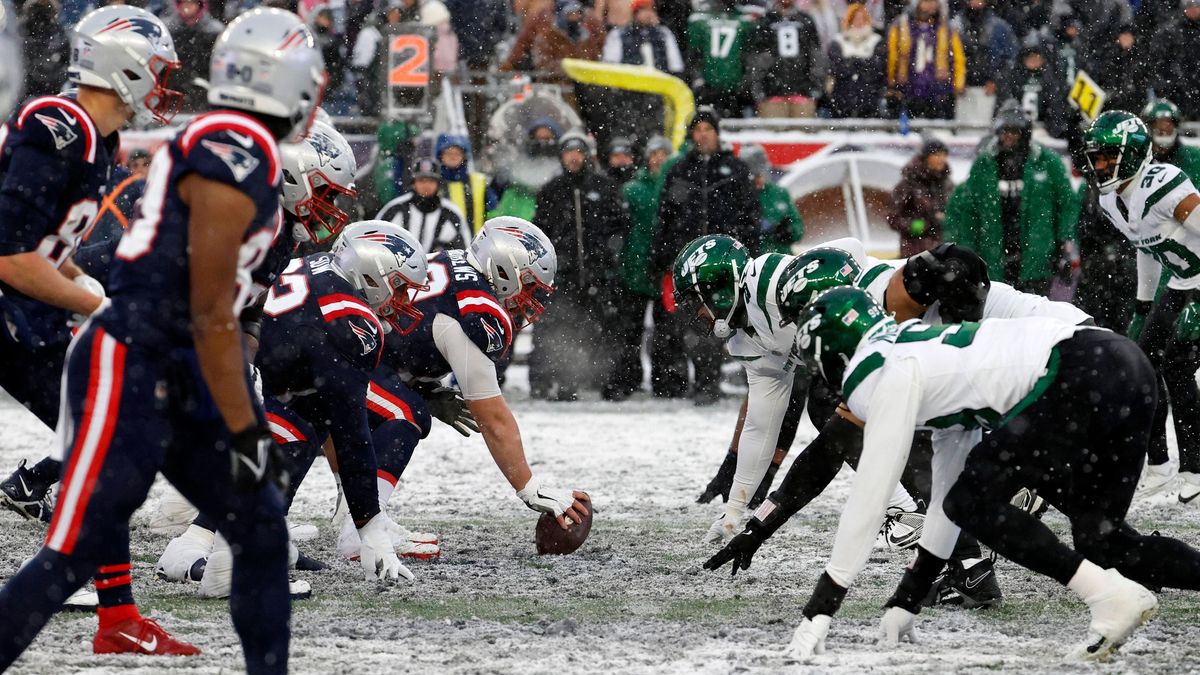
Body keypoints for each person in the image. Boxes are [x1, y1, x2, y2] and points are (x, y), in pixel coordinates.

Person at [0, 9, 325, 673]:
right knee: (75, 549)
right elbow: (206, 306)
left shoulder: (225, 143)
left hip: (166, 353)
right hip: (138, 353)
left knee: (260, 523)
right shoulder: (233, 148)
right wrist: (244, 426)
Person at [784, 286, 1192, 661]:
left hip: (1079, 372)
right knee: (1103, 541)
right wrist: (909, 596)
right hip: (1121, 364)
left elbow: (873, 492)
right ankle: (1115, 591)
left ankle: (1108, 597)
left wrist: (821, 606)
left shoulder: (876, 371)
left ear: (830, 353)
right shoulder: (914, 350)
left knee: (973, 500)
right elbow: (949, 479)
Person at [701, 240, 1093, 610]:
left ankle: (985, 540)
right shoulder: (880, 338)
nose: (807, 334)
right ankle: (983, 562)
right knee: (966, 479)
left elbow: (958, 261)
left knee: (960, 477)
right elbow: (828, 450)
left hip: (1064, 354)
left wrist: (965, 325)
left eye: (810, 317)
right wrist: (757, 527)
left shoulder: (892, 308)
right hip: (1069, 360)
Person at [0, 4, 202, 656]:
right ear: (127, 67)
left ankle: (114, 612)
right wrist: (102, 309)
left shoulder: (95, 139)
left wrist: (103, 295)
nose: (165, 84)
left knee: (112, 430)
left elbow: (45, 250)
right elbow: (8, 256)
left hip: (18, 315)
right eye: (159, 71)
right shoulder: (58, 126)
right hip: (9, 308)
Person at [1083, 111, 1200, 504]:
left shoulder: (1164, 183)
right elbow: (1147, 249)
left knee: (1179, 366)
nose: (1098, 165)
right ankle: (1160, 464)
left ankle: (1195, 467)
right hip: (1182, 283)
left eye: (1106, 156)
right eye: (1094, 157)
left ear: (1131, 154)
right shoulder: (1112, 199)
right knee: (1141, 364)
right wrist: (1141, 306)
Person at [652, 107, 759, 405]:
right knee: (690, 325)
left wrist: (745, 249)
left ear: (717, 133)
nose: (702, 135)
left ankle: (715, 381)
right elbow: (665, 217)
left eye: (707, 129)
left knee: (723, 323)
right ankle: (697, 381)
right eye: (697, 129)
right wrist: (663, 257)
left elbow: (750, 215)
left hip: (725, 265)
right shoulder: (678, 170)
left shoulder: (735, 170)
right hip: (688, 263)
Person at [531, 132, 630, 400]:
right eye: (568, 152)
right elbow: (540, 232)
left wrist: (610, 255)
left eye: (578, 152)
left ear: (587, 156)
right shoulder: (551, 190)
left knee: (605, 329)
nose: (574, 157)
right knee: (565, 328)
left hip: (598, 273)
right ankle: (566, 383)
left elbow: (620, 227)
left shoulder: (604, 187)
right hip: (564, 274)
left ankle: (610, 383)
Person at [943, 102, 1078, 295]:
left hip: (1036, 257)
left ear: (1025, 134)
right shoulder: (983, 164)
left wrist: (1064, 241)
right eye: (1004, 131)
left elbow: (1067, 204)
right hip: (993, 259)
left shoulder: (1048, 162)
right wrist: (965, 253)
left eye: (1014, 132)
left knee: (1032, 316)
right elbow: (968, 212)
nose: (1009, 137)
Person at [621, 135, 673, 397]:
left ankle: (666, 381)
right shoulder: (632, 189)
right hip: (636, 266)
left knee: (667, 331)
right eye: (655, 153)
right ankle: (629, 378)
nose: (659, 159)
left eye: (664, 153)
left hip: (665, 268)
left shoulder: (676, 185)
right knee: (631, 329)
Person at [884, 0, 964, 120]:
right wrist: (891, 82)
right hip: (907, 89)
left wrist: (958, 84)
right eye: (926, 1)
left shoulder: (946, 28)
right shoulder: (901, 25)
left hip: (939, 91)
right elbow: (891, 55)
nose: (931, 5)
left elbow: (958, 59)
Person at [376, 157, 472, 252]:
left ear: (438, 184)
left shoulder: (451, 214)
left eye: (431, 181)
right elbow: (375, 243)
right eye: (422, 180)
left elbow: (464, 251)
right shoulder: (395, 209)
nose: (426, 185)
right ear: (413, 183)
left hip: (439, 267)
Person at [748, 0, 824, 118]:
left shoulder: (805, 20)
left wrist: (815, 89)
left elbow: (816, 57)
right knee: (772, 135)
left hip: (803, 93)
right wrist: (759, 91)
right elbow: (756, 60)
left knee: (803, 135)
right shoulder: (766, 21)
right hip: (772, 94)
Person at [686, 0, 756, 117]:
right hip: (708, 86)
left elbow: (751, 55)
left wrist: (746, 81)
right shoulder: (699, 18)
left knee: (736, 128)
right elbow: (693, 54)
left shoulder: (746, 18)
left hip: (736, 88)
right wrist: (698, 79)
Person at [952, 0, 1017, 125]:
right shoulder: (954, 26)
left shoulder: (999, 27)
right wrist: (957, 80)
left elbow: (1010, 60)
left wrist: (996, 81)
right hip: (960, 90)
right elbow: (946, 59)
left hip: (991, 90)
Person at [994, 35, 1071, 139]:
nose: (1034, 61)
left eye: (1037, 57)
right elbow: (1005, 101)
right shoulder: (1013, 76)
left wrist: (1053, 129)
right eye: (1030, 57)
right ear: (1023, 59)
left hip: (1043, 129)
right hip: (1017, 128)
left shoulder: (1048, 77)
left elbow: (1055, 104)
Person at [887, 138, 951, 257]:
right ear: (925, 158)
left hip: (943, 251)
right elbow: (893, 217)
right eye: (936, 155)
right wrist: (916, 226)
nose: (941, 159)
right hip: (915, 252)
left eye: (944, 155)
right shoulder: (908, 184)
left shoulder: (947, 184)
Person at [825, 2, 887, 118]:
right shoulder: (838, 41)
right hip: (843, 99)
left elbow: (877, 69)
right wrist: (860, 63)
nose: (859, 22)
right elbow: (836, 68)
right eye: (855, 18)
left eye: (862, 18)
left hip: (869, 100)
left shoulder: (876, 41)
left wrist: (852, 63)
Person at [740, 144, 804, 255]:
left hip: (782, 258)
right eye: (754, 176)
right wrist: (752, 230)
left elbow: (798, 227)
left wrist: (788, 231)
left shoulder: (779, 193)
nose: (758, 179)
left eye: (761, 173)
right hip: (752, 261)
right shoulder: (739, 195)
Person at [164, 0, 224, 112]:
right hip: (174, 89)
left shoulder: (214, 31)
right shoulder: (168, 29)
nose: (187, 6)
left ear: (199, 5)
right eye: (183, 2)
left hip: (205, 89)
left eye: (191, 2)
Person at [435, 133, 497, 234]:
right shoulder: (434, 185)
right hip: (445, 246)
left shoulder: (479, 181)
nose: (453, 157)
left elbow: (493, 211)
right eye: (449, 153)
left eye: (457, 153)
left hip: (477, 245)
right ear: (441, 156)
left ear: (464, 156)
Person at [1152, 0, 1200, 121]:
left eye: (1197, 6)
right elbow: (1158, 62)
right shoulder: (1169, 31)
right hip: (1177, 93)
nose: (1193, 9)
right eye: (1190, 6)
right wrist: (1166, 86)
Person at [1143, 99, 1200, 180]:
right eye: (1158, 124)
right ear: (1148, 127)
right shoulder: (1138, 159)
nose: (1164, 128)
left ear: (1176, 127)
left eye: (1169, 124)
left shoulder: (1193, 157)